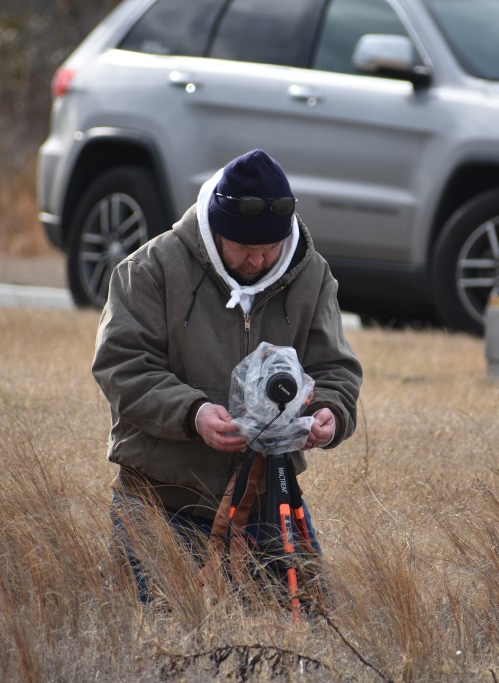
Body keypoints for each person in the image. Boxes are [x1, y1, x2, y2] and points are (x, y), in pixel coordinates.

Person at [92, 148, 362, 601]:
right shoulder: (151, 268)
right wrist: (193, 413)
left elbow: (335, 369)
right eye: (244, 249)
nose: (257, 261)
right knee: (156, 624)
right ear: (216, 230)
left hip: (267, 498)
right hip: (161, 498)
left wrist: (329, 413)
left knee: (308, 622)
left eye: (269, 249)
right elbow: (122, 367)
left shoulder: (311, 276)